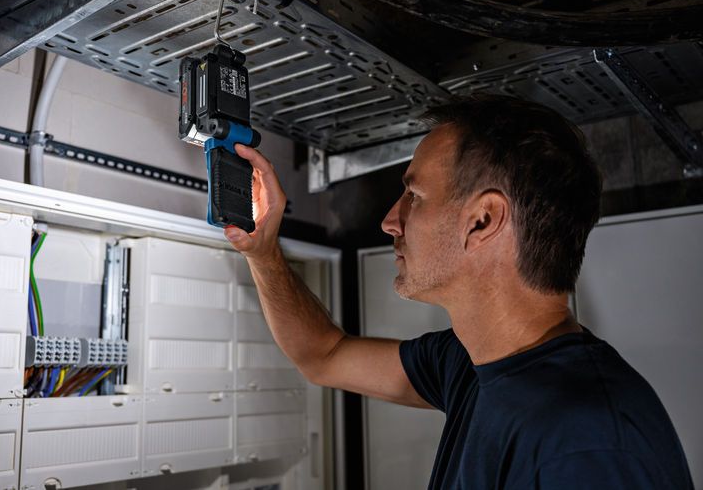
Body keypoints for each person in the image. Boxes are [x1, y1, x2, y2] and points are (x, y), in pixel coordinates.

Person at [223, 94, 693, 489]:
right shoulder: (468, 363)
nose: (390, 220)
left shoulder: (585, 439)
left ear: (483, 220)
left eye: (414, 196)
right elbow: (324, 355)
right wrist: (264, 253)